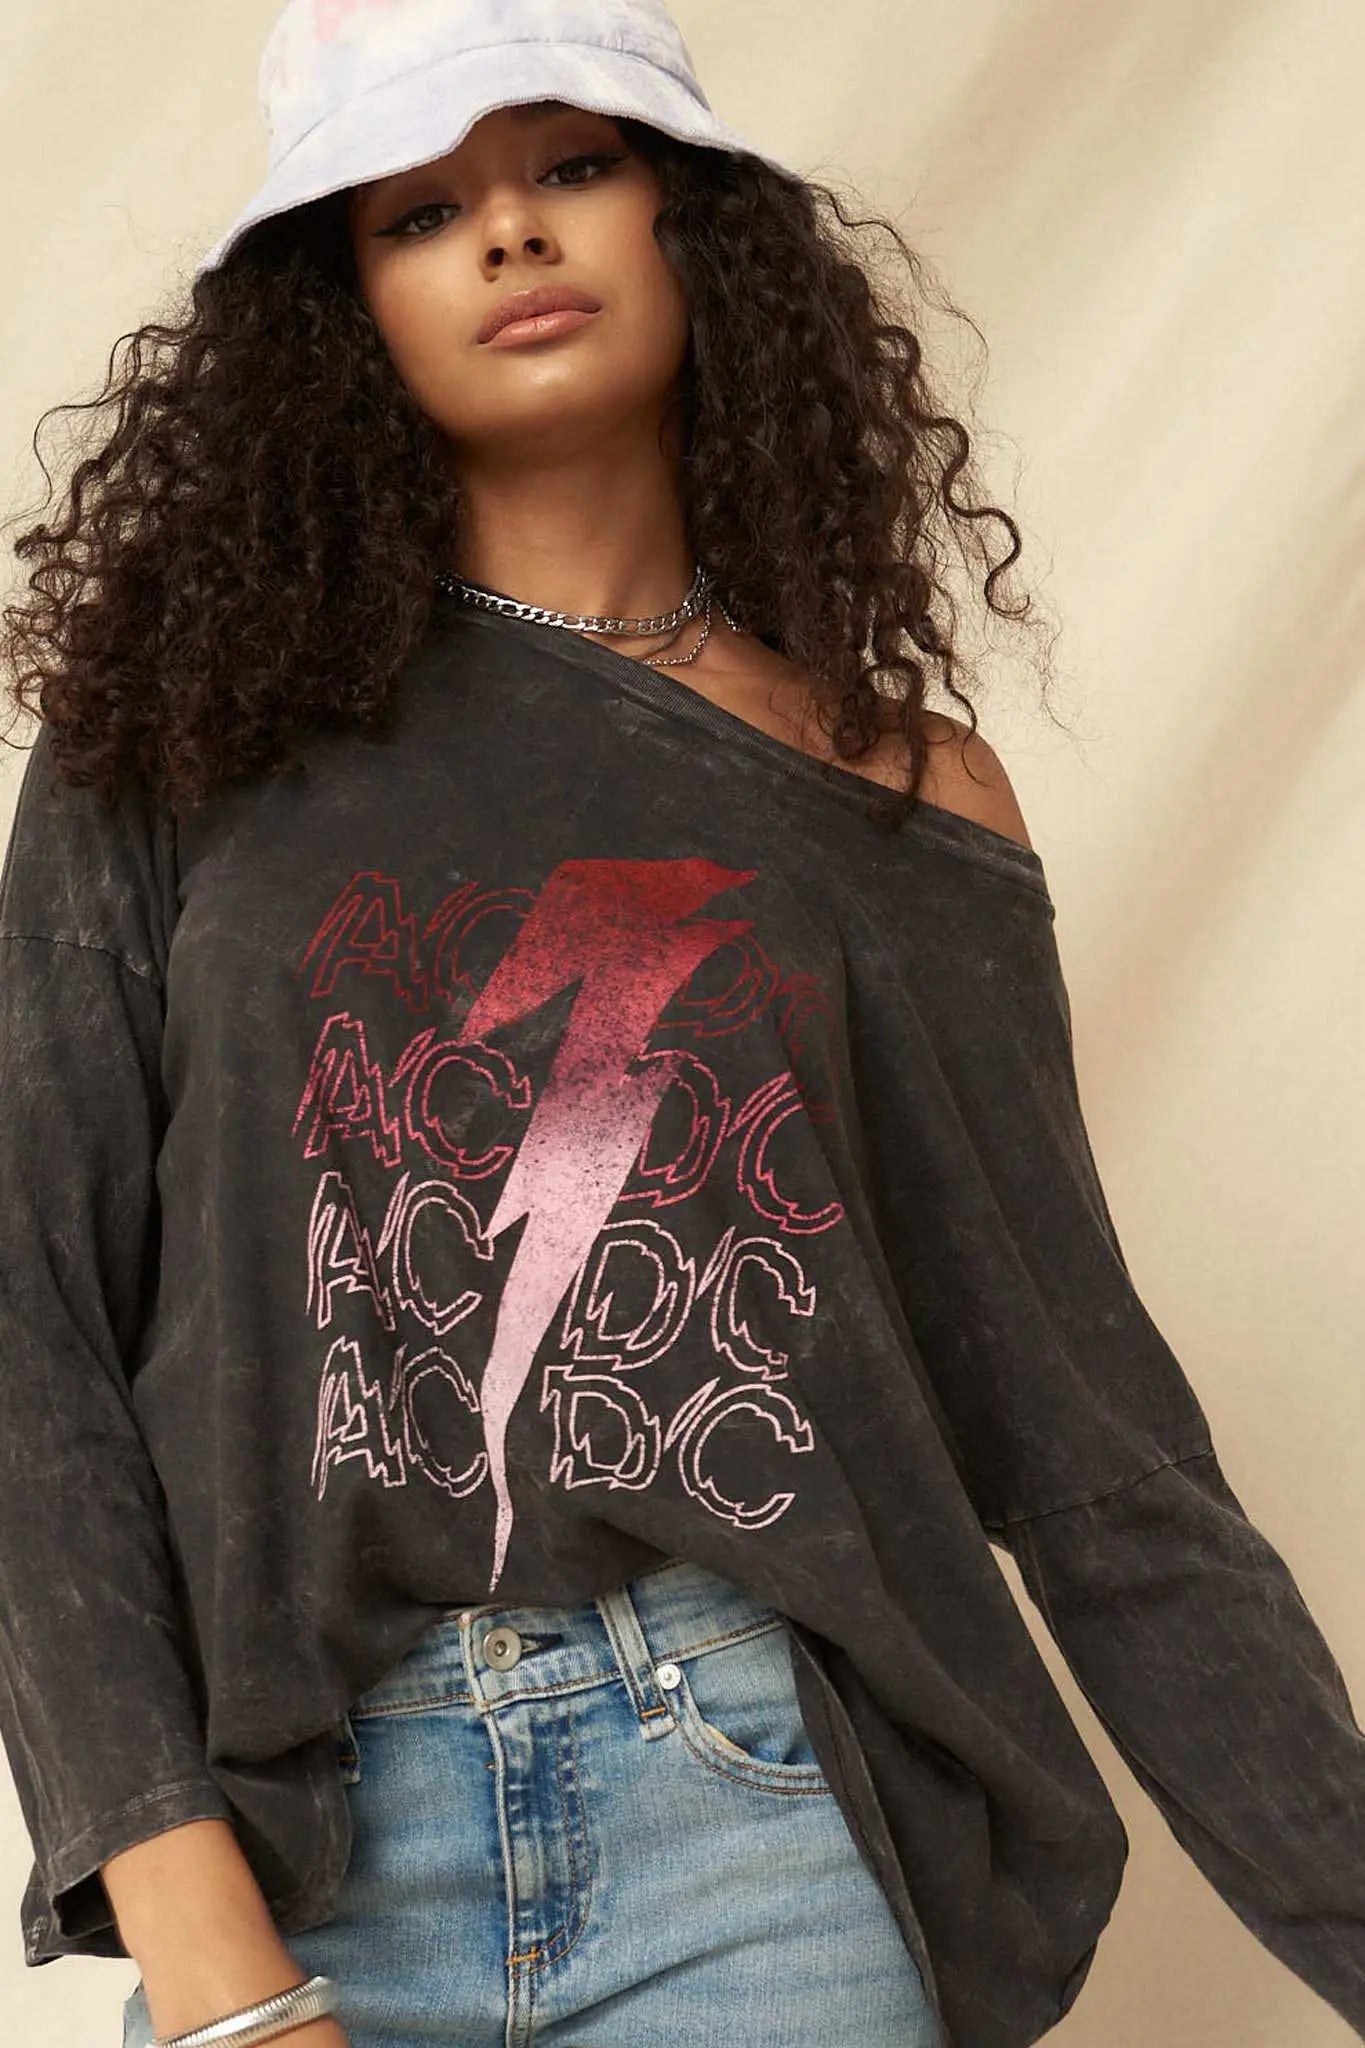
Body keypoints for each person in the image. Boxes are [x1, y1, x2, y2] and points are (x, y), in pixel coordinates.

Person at [1, 4, 1362, 2048]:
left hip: (760, 1841)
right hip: (302, 1853)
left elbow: (1092, 1457)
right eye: (417, 211)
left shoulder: (890, 793)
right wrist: (201, 1952)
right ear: (336, 312)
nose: (508, 235)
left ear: (693, 222)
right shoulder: (183, 728)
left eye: (572, 165)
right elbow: (24, 1322)